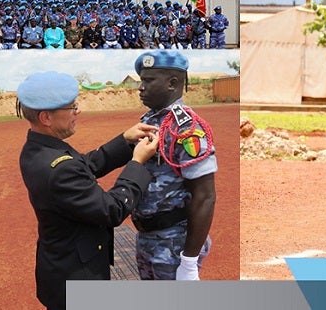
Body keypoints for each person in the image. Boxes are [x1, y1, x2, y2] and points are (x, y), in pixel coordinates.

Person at [17, 71, 159, 310]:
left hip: (61, 265)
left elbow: (86, 164)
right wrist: (137, 163)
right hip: (76, 276)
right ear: (46, 118)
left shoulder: (38, 148)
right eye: (72, 107)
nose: (78, 111)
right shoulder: (58, 168)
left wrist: (124, 140)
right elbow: (112, 210)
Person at [132, 50, 217, 280]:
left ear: (172, 83)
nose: (141, 87)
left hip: (173, 244)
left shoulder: (188, 129)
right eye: (142, 80)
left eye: (148, 81)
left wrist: (189, 262)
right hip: (148, 238)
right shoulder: (149, 120)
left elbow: (205, 196)